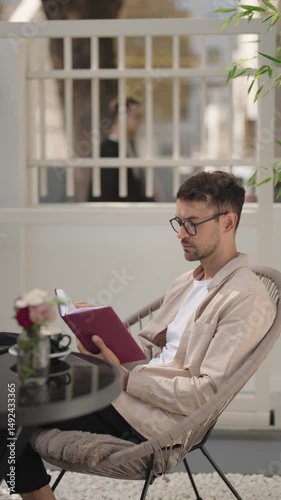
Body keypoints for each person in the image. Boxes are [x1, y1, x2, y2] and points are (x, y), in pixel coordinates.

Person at [5, 170, 276, 499]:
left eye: (192, 223)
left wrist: (124, 380)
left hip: (149, 421)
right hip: (121, 390)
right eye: (178, 222)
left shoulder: (245, 300)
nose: (181, 234)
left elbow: (205, 393)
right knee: (18, 369)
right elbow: (145, 348)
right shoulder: (186, 282)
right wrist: (99, 343)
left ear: (228, 222)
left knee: (12, 411)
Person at [90, 97, 153, 202]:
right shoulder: (108, 150)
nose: (140, 122)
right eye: (136, 117)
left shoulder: (129, 147)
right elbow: (106, 192)